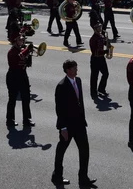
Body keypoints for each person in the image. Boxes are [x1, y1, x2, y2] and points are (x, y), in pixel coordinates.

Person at [52, 59, 97, 188]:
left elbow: (80, 103)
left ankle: (83, 178)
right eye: (74, 68)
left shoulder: (78, 81)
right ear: (68, 70)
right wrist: (62, 127)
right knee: (61, 150)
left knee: (84, 151)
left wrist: (83, 120)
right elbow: (59, 109)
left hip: (80, 124)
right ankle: (57, 175)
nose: (77, 70)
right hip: (68, 125)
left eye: (77, 68)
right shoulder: (61, 86)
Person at [6, 35, 34, 128]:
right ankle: (10, 120)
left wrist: (29, 55)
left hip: (22, 75)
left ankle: (26, 119)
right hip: (13, 76)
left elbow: (28, 64)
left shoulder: (22, 50)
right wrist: (27, 51)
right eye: (20, 39)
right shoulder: (12, 52)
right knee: (12, 99)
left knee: (26, 98)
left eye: (22, 39)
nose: (22, 41)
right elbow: (19, 58)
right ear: (15, 41)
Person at [89, 23, 109, 99]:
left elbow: (104, 43)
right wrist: (105, 52)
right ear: (95, 29)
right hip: (95, 59)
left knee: (106, 73)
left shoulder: (101, 36)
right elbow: (95, 52)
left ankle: (101, 89)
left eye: (100, 27)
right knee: (94, 76)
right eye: (99, 27)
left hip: (101, 59)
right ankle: (93, 92)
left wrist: (107, 42)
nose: (100, 28)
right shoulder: (93, 39)